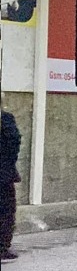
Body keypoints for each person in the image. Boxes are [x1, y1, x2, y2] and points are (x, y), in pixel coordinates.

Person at [1, 108, 22, 262]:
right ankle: (2, 248)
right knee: (5, 211)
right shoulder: (5, 118)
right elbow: (14, 141)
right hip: (4, 175)